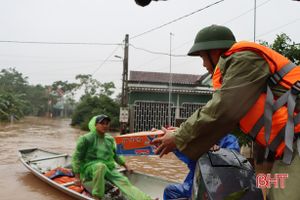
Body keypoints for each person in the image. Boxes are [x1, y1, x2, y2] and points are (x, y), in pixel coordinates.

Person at [151, 25, 300, 200]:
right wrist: (177, 134)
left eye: (202, 57)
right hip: (288, 150)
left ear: (214, 52)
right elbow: (219, 118)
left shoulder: (245, 60)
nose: (203, 64)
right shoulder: (235, 72)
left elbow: (222, 109)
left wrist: (178, 137)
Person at [72, 114, 152, 200]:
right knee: (100, 166)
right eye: (102, 123)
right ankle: (97, 196)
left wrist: (125, 165)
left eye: (107, 123)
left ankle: (145, 199)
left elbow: (115, 155)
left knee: (123, 181)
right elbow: (77, 158)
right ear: (95, 125)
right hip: (89, 169)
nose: (105, 126)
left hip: (108, 168)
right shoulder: (86, 139)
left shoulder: (109, 139)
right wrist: (77, 177)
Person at [163, 133, 240, 200]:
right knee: (169, 190)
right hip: (194, 184)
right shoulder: (199, 138)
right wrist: (173, 147)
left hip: (219, 187)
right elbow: (189, 157)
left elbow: (232, 161)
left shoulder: (230, 140)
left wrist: (217, 152)